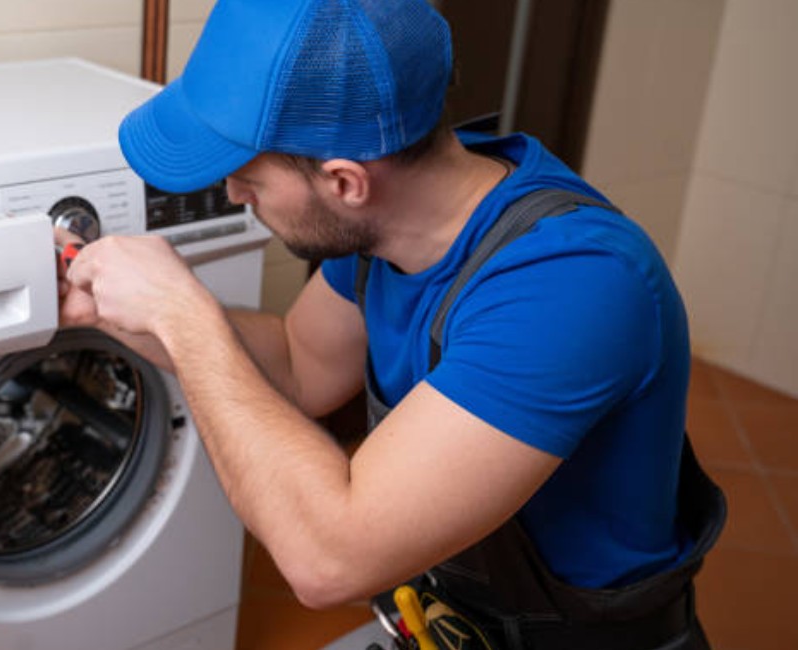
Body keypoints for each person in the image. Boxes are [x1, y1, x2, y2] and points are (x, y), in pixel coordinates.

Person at [58, 0, 724, 647]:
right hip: (446, 618)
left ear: (346, 182)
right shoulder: (397, 223)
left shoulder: (572, 285)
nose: (233, 192)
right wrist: (131, 318)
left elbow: (328, 561)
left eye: (246, 173)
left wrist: (185, 314)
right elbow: (298, 365)